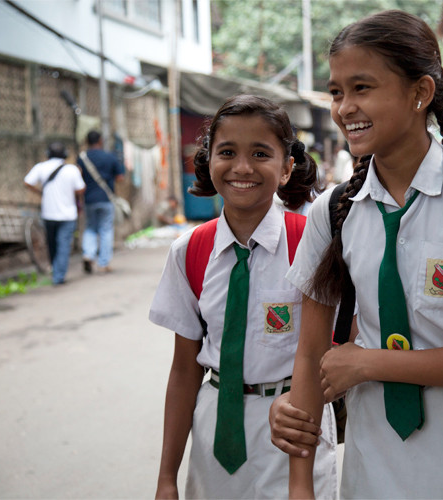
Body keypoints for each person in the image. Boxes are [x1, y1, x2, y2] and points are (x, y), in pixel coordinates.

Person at [272, 10, 443, 499]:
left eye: (362, 87)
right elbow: (309, 356)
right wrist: (300, 485)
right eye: (336, 91)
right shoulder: (333, 211)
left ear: (420, 93)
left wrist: (370, 363)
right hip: (375, 468)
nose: (345, 107)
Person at [148, 95, 337, 499]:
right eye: (227, 152)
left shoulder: (311, 244)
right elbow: (184, 371)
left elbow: (339, 346)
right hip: (215, 429)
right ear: (209, 160)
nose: (243, 168)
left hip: (296, 421)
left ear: (286, 168)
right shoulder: (189, 251)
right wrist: (167, 477)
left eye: (261, 153)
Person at [24, 142, 86, 285]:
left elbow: (27, 182)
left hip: (49, 214)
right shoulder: (72, 169)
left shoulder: (41, 167)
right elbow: (81, 189)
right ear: (64, 155)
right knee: (63, 245)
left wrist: (41, 192)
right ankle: (58, 276)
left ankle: (56, 272)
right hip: (68, 215)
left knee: (52, 245)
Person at [77, 130, 125, 274]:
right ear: (100, 141)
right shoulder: (110, 157)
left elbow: (78, 177)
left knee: (90, 228)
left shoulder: (82, 158)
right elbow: (120, 177)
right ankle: (103, 263)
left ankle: (88, 254)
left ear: (87, 141)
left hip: (89, 199)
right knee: (105, 229)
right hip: (106, 198)